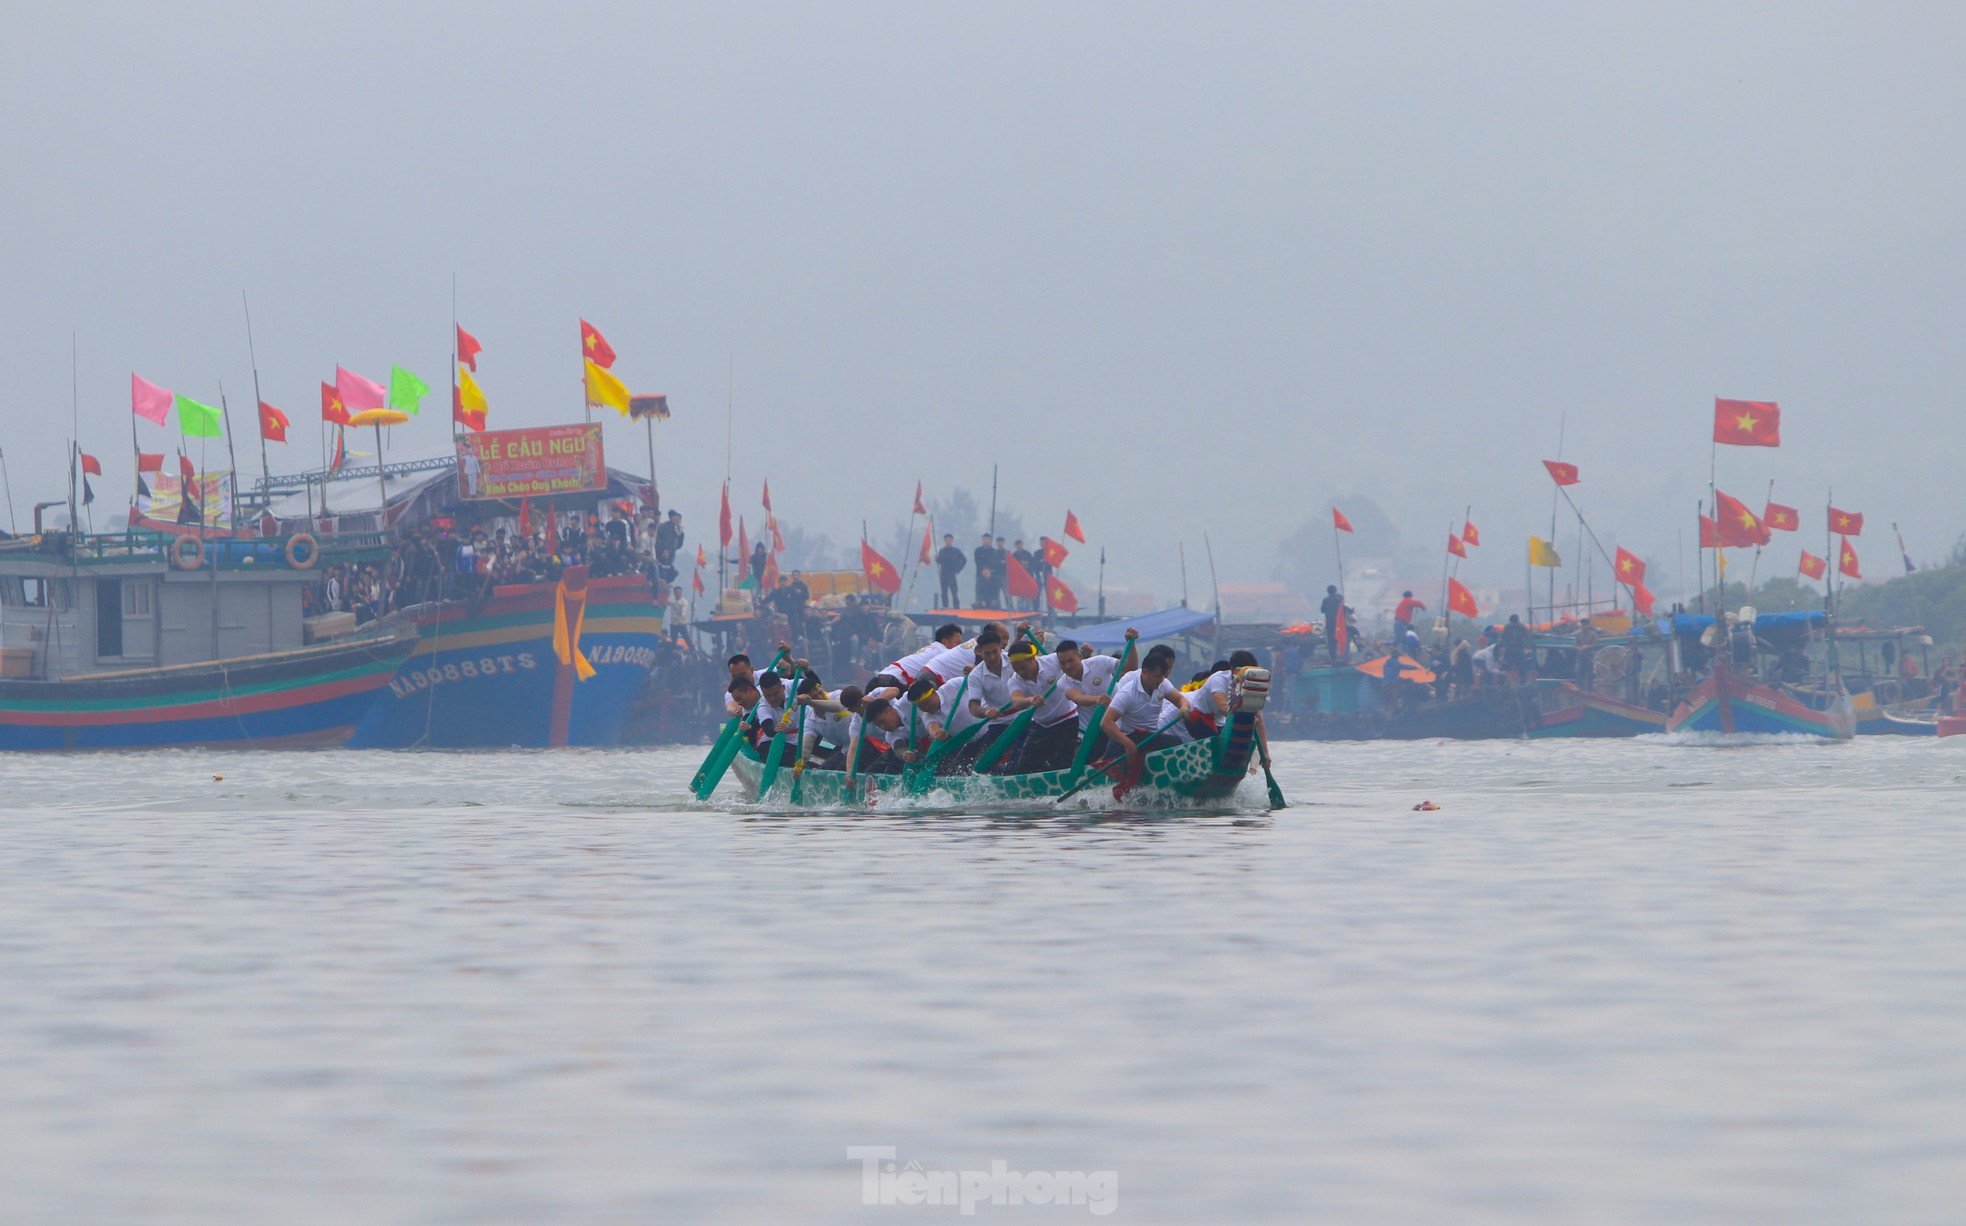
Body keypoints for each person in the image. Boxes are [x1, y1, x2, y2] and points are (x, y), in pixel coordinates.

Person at [1101, 644, 1191, 761]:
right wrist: (1127, 743)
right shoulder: (1127, 692)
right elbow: (1106, 722)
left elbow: (1181, 699)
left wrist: (1184, 708)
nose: (1160, 680)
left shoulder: (1163, 683)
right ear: (1145, 671)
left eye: (1163, 676)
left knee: (1176, 743)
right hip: (1127, 736)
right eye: (1157, 676)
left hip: (1149, 736)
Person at [1005, 640, 1082, 772]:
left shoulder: (1053, 660)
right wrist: (1030, 700)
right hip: (1041, 725)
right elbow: (1016, 701)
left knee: (1061, 765)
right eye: (1016, 668)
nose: (1020, 672)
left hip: (1067, 721)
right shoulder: (1014, 680)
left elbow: (1072, 663)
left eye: (1023, 667)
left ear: (1032, 659)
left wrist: (1085, 653)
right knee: (1023, 768)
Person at [935, 533, 966, 607]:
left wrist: (958, 569)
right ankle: (945, 606)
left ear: (952, 541)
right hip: (943, 573)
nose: (948, 541)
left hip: (952, 574)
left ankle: (956, 607)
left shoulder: (956, 550)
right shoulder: (942, 550)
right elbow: (939, 561)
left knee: (954, 592)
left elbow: (964, 559)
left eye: (949, 540)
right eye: (946, 540)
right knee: (944, 592)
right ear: (944, 541)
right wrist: (937, 559)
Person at [1499, 614, 1532, 681]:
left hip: (1519, 649)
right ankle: (1505, 680)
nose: (1514, 625)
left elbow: (1528, 637)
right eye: (1512, 623)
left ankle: (1523, 681)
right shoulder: (1507, 627)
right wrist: (1501, 646)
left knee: (1522, 665)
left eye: (1515, 623)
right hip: (1509, 649)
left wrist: (1527, 648)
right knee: (1506, 665)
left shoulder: (1522, 627)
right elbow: (1502, 637)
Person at [1319, 585, 1346, 661]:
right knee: (1341, 638)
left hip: (1329, 623)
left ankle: (1333, 656)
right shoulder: (1339, 599)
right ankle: (1342, 655)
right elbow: (1344, 608)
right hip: (1339, 623)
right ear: (1335, 590)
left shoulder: (1326, 600)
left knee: (1331, 640)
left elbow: (1322, 610)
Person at [972, 533, 999, 607]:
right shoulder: (978, 550)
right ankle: (979, 604)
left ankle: (992, 605)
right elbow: (977, 562)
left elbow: (995, 563)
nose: (986, 541)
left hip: (991, 575)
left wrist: (989, 570)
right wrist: (984, 570)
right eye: (984, 539)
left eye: (988, 539)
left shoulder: (994, 551)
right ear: (982, 540)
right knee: (979, 592)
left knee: (992, 593)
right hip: (980, 574)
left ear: (990, 540)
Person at [1011, 540, 1036, 611]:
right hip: (1019, 578)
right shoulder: (1014, 555)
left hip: (1028, 577)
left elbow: (1033, 564)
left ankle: (1029, 609)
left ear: (1022, 545)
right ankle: (1020, 610)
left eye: (1020, 545)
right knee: (1020, 594)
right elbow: (1013, 567)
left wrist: (1027, 565)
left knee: (1028, 594)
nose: (1018, 546)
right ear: (1015, 546)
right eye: (1017, 545)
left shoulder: (1027, 554)